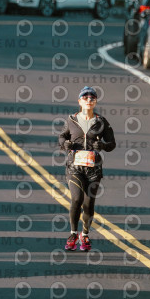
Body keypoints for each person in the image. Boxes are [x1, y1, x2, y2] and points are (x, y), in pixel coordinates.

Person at [58, 86, 116, 251]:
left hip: (93, 169)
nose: (89, 100)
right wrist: (65, 144)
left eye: (92, 98)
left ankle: (85, 234)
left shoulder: (101, 122)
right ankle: (73, 233)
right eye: (85, 97)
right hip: (74, 167)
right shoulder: (71, 120)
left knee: (89, 203)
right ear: (79, 101)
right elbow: (62, 137)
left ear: (95, 102)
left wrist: (102, 145)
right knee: (76, 199)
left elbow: (112, 144)